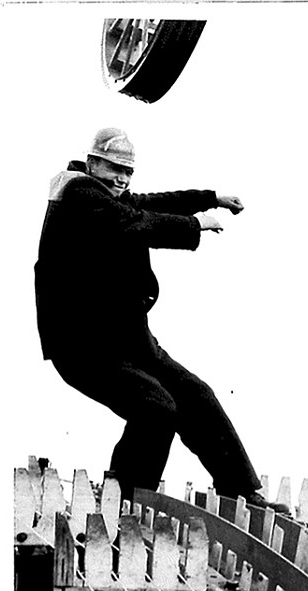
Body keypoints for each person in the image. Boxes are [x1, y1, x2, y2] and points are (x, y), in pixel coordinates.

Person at [34, 127, 287, 511]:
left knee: (195, 395)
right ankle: (124, 505)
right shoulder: (79, 196)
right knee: (155, 407)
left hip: (127, 342)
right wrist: (199, 223)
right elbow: (136, 223)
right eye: (115, 168)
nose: (122, 178)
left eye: (128, 171)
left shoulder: (105, 195)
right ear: (92, 163)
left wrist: (210, 198)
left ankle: (241, 493)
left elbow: (152, 204)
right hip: (84, 348)